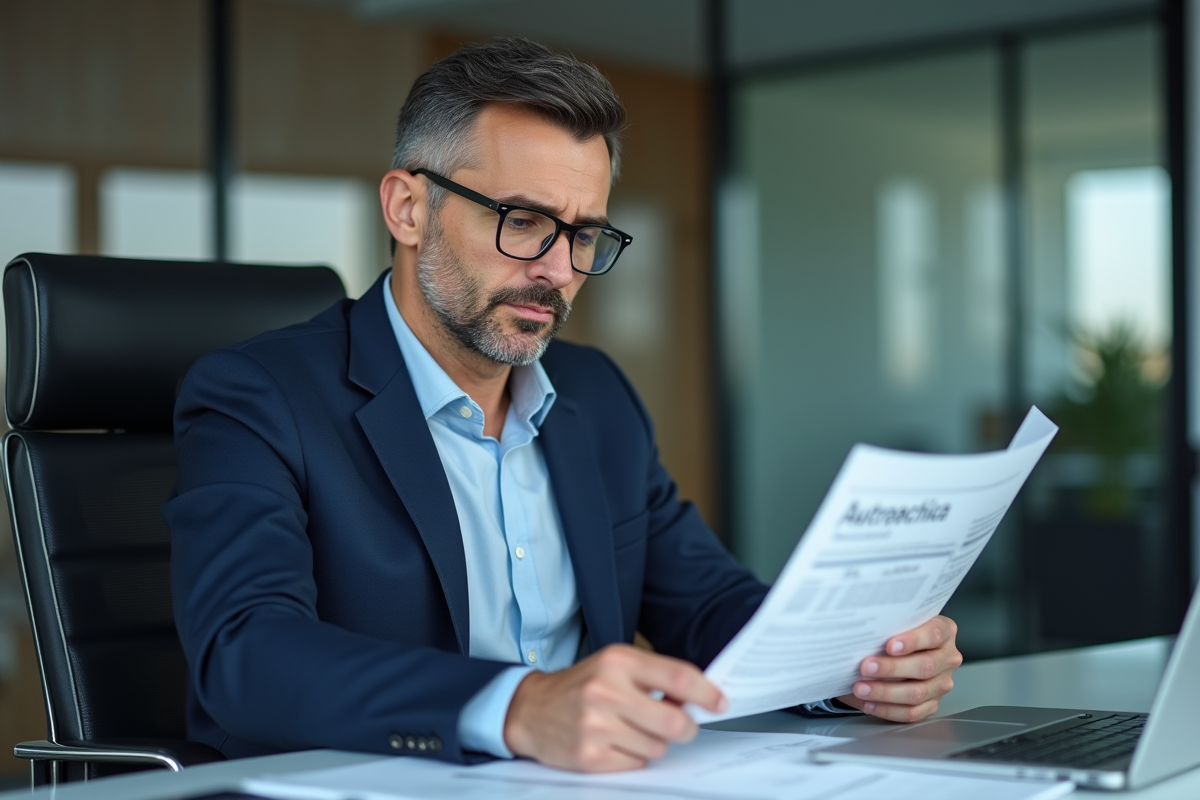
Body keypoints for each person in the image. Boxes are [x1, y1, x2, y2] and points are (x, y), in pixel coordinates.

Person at [166, 37, 962, 774]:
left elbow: (707, 604)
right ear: (408, 209)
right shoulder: (259, 395)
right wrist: (517, 707)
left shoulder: (595, 394)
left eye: (583, 235)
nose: (557, 270)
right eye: (523, 222)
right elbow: (246, 653)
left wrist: (854, 666)